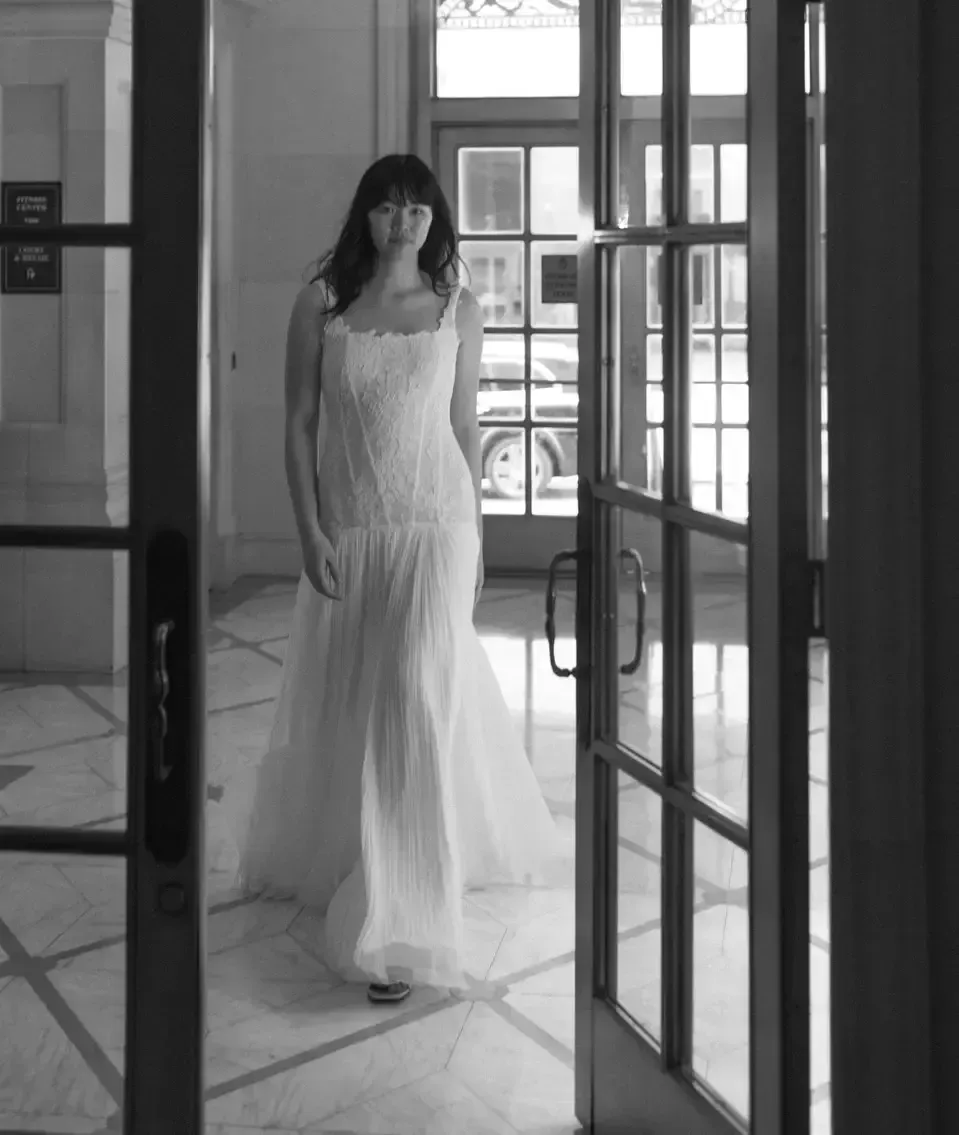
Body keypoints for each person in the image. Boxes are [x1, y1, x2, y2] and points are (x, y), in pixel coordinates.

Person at [229, 154, 563, 1004]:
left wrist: (477, 537)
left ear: (435, 218)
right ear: (364, 217)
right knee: (360, 700)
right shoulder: (322, 306)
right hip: (355, 530)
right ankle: (371, 853)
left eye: (416, 208)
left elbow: (463, 423)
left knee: (412, 694)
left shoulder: (460, 310)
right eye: (385, 207)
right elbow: (299, 424)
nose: (401, 221)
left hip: (437, 527)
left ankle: (400, 921)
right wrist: (307, 530)